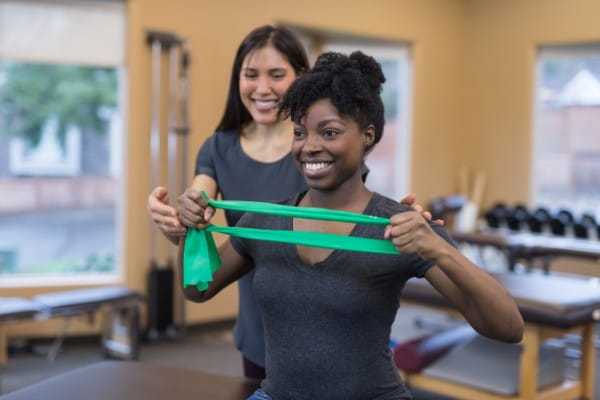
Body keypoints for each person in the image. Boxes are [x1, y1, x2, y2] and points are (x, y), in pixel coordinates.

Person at [177, 51, 524, 400]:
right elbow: (197, 290)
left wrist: (438, 249)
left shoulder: (399, 227)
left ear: (368, 136)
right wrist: (189, 230)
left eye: (329, 132)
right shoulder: (265, 222)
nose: (310, 147)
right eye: (299, 133)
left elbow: (508, 327)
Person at [146, 25, 434, 380]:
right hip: (259, 328)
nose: (262, 88)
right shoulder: (218, 148)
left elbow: (356, 215)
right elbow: (198, 211)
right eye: (250, 75)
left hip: (331, 330)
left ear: (301, 78)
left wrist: (406, 220)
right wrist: (180, 222)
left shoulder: (319, 152)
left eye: (277, 75)